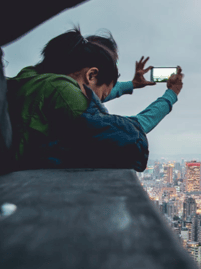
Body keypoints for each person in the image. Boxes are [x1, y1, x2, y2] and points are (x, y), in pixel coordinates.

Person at [7, 28, 183, 171]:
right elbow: (126, 135)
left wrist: (132, 84)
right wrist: (171, 95)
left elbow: (96, 92)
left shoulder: (32, 80)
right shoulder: (64, 91)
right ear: (91, 73)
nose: (97, 103)